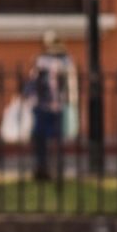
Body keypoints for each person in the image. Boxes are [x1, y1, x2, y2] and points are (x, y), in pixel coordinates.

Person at [24, 36, 75, 184]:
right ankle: (43, 168)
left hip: (55, 106)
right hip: (44, 105)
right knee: (43, 139)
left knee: (53, 139)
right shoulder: (43, 61)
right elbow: (33, 82)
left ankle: (52, 168)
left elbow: (69, 85)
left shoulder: (65, 61)